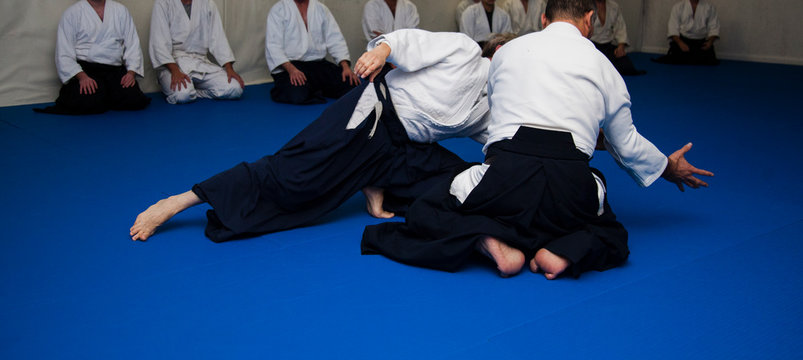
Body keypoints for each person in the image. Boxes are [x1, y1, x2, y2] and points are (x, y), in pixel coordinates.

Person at [361, 0, 714, 280]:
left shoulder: (508, 53)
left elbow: (499, 118)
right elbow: (626, 144)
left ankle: (492, 242)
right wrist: (668, 166)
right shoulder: (605, 66)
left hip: (505, 178)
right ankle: (561, 253)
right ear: (589, 20)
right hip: (571, 187)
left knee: (428, 206)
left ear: (543, 19)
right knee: (612, 232)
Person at [130, 30, 514, 243]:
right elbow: (410, 40)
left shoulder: (495, 106)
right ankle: (181, 200)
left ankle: (374, 181)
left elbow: (500, 143)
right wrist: (383, 50)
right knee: (294, 177)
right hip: (371, 113)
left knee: (457, 180)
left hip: (401, 149)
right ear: (495, 53)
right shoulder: (465, 52)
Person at [35, 0, 150, 115]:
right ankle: (102, 95)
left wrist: (131, 72)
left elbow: (133, 44)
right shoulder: (72, 13)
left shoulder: (120, 10)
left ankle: (106, 94)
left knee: (134, 100)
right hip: (87, 70)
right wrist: (81, 77)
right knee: (89, 102)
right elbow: (64, 52)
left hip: (113, 69)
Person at [149, 0, 244, 105]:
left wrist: (229, 68)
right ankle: (188, 90)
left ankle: (195, 92)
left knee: (234, 88)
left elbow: (218, 38)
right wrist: (175, 71)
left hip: (200, 62)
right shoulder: (163, 3)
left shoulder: (207, 3)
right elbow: (159, 42)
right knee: (182, 95)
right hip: (173, 64)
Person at [265, 0, 359, 105]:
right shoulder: (279, 10)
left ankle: (314, 89)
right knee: (298, 94)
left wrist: (345, 66)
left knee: (350, 85)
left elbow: (335, 39)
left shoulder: (320, 8)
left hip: (317, 64)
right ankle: (307, 89)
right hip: (290, 66)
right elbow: (273, 45)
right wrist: (291, 69)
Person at [653, 0, 720, 65]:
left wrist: (710, 42)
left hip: (700, 42)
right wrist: (680, 43)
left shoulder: (710, 7)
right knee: (676, 57)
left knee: (710, 61)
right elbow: (673, 27)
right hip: (683, 41)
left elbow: (714, 27)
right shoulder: (678, 7)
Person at [590, 0, 644, 75]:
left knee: (627, 66)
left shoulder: (613, 6)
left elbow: (620, 28)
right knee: (593, 68)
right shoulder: (586, 5)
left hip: (607, 46)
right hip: (591, 45)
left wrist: (621, 46)